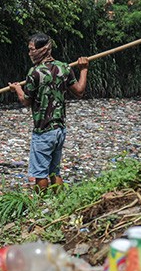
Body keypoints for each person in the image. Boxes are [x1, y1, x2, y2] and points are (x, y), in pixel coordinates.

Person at [9, 33, 88, 193]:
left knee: (40, 174)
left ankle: (40, 205)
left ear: (43, 49)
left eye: (32, 49)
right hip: (59, 129)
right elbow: (79, 91)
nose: (30, 53)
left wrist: (17, 89)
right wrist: (84, 70)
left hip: (43, 130)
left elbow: (26, 100)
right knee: (54, 171)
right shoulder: (64, 68)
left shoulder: (35, 73)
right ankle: (58, 201)